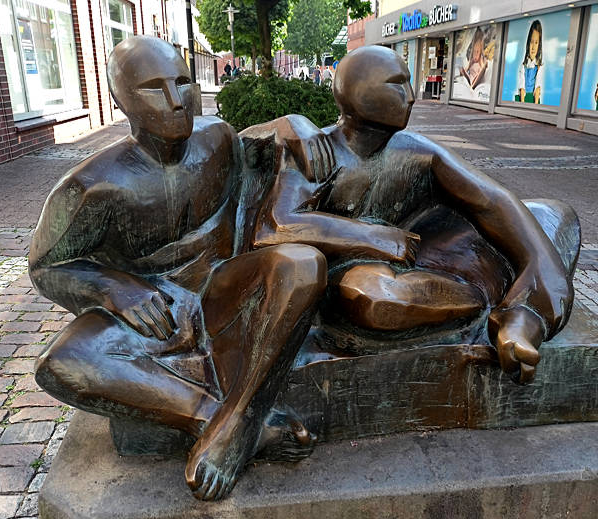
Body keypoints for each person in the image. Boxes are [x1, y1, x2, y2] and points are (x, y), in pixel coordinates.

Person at [29, 36, 326, 501]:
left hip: (221, 290)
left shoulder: (219, 140)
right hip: (155, 308)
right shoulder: (91, 185)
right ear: (119, 98)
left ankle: (235, 420)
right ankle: (221, 422)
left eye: (183, 82)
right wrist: (114, 289)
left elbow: (268, 139)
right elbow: (46, 267)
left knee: (303, 264)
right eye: (153, 88)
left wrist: (297, 122)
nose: (175, 101)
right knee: (63, 362)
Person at [242, 45, 579, 385]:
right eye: (397, 83)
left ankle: (516, 313)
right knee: (373, 296)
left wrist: (532, 311)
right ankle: (492, 306)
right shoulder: (318, 152)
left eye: (408, 82)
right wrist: (374, 237)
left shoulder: (417, 152)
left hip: (436, 260)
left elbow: (493, 201)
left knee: (553, 217)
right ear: (357, 91)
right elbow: (275, 226)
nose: (412, 96)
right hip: (360, 275)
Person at [517, 20, 543, 104]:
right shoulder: (523, 66)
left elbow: (537, 87)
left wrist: (535, 105)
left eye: (536, 43)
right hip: (524, 99)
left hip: (533, 100)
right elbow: (522, 86)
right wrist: (523, 103)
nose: (533, 47)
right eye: (531, 42)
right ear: (528, 43)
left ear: (539, 44)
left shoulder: (539, 66)